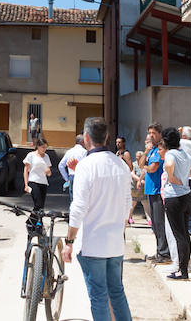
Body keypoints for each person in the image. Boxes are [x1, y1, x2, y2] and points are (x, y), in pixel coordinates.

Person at [63, 117, 134, 321]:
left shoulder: (86, 166)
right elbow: (127, 204)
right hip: (115, 244)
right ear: (108, 137)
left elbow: (78, 208)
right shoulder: (120, 165)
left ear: (86, 137)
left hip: (93, 244)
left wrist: (69, 242)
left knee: (99, 297)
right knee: (117, 294)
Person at [161, 128, 191, 280]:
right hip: (186, 196)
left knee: (179, 236)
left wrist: (171, 177)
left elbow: (169, 165)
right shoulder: (184, 153)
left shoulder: (170, 154)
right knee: (185, 234)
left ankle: (182, 271)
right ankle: (184, 268)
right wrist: (186, 177)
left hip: (174, 198)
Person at [142, 124, 170, 264]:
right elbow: (142, 164)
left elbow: (152, 169)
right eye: (149, 133)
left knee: (160, 223)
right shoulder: (152, 150)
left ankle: (165, 254)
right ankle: (159, 251)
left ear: (159, 134)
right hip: (150, 190)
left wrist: (146, 167)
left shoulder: (160, 150)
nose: (151, 135)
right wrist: (146, 154)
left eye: (154, 133)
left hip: (158, 190)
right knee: (155, 224)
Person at [179, 126, 191, 235]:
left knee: (184, 205)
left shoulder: (182, 142)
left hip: (184, 179)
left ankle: (188, 228)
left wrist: (178, 131)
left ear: (184, 136)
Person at [23, 139, 52, 211]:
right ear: (38, 147)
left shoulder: (46, 156)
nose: (44, 149)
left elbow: (49, 173)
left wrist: (48, 172)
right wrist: (26, 185)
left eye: (45, 147)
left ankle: (37, 221)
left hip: (43, 182)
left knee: (41, 206)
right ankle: (32, 221)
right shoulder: (31, 155)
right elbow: (26, 170)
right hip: (33, 181)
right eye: (43, 147)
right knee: (38, 204)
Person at [60, 134, 87, 200]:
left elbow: (61, 166)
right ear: (81, 142)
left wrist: (67, 179)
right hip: (82, 176)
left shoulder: (69, 152)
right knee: (81, 199)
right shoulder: (85, 152)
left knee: (73, 200)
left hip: (71, 176)